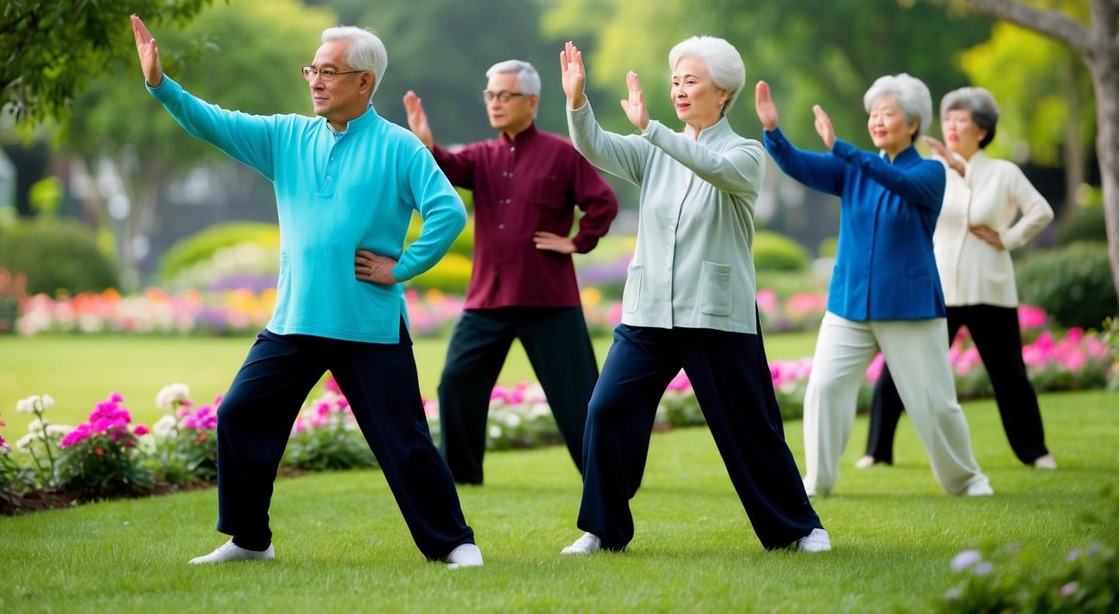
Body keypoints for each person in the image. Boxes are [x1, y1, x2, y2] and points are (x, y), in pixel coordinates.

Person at [129, 15, 483, 569]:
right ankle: (250, 540)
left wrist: (403, 266)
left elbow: (447, 211)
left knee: (404, 440)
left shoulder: (400, 147)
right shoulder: (286, 137)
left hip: (368, 324)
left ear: (364, 82)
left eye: (329, 71)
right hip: (294, 322)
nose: (315, 80)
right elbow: (214, 123)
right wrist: (161, 85)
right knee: (239, 416)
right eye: (312, 70)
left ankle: (453, 543)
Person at [557, 38, 829, 556]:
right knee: (607, 409)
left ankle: (799, 528)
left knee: (750, 426)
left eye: (691, 81)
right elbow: (595, 145)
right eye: (676, 81)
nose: (679, 90)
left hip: (716, 314)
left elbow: (712, 167)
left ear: (722, 91)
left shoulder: (746, 154)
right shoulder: (652, 151)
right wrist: (577, 102)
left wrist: (652, 130)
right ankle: (602, 529)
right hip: (649, 312)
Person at [755, 74, 992, 499]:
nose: (877, 121)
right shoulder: (852, 167)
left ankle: (967, 479)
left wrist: (842, 148)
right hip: (849, 304)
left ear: (914, 123)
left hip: (909, 306)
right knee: (824, 388)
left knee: (935, 403)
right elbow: (800, 164)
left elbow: (896, 181)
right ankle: (818, 480)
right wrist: (774, 131)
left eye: (888, 113)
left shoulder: (931, 171)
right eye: (873, 115)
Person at [402, 60, 618, 485]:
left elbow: (603, 202)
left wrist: (577, 241)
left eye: (505, 95)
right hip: (488, 299)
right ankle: (461, 476)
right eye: (490, 95)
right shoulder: (483, 155)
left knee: (579, 398)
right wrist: (427, 146)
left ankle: (607, 477)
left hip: (549, 299)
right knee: (456, 383)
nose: (495, 103)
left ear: (532, 101)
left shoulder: (562, 154)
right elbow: (449, 168)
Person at [858, 86, 1056, 470]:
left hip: (989, 288)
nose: (950, 126)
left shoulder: (1004, 173)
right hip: (938, 288)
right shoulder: (931, 169)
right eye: (947, 119)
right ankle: (877, 450)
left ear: (981, 130)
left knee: (1010, 374)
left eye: (960, 120)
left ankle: (1035, 452)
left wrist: (1008, 238)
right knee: (899, 365)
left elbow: (1041, 211)